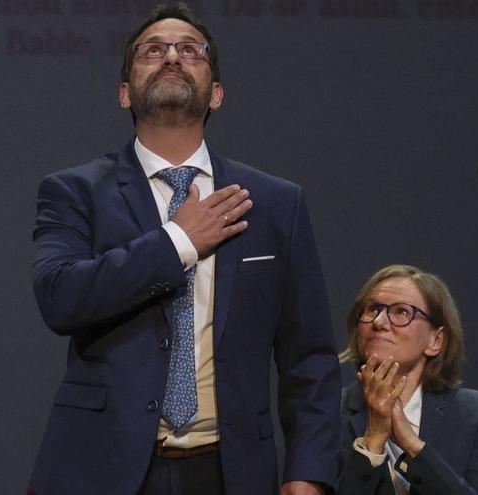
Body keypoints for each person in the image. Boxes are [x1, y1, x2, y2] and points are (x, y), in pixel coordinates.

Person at [29, 4, 340, 494]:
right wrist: (179, 242)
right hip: (104, 469)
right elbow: (59, 297)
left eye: (191, 50)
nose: (172, 56)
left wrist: (309, 472)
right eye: (153, 50)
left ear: (216, 94)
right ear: (124, 93)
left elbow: (310, 358)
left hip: (230, 472)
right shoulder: (75, 191)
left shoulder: (275, 202)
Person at [337, 264, 478, 494]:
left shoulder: (473, 414)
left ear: (436, 341)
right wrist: (373, 439)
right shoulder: (328, 412)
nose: (379, 322)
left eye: (401, 312)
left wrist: (412, 445)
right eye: (372, 308)